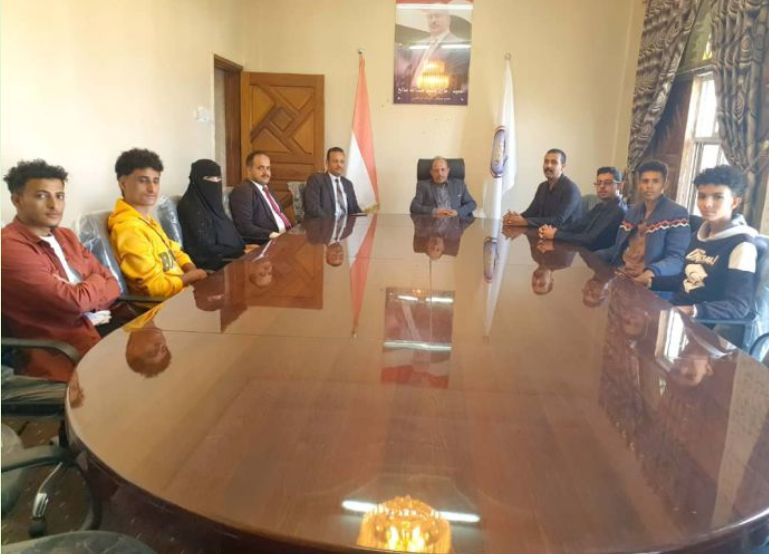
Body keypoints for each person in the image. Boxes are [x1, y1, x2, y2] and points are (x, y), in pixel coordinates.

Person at [2, 159, 120, 381]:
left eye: (59, 196)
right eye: (41, 196)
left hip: (98, 333)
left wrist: (85, 292)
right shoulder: (10, 247)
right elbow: (75, 302)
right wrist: (94, 283)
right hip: (62, 355)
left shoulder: (66, 236)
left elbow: (113, 283)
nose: (54, 205)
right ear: (17, 200)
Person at [651, 165, 757, 320]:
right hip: (677, 313)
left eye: (718, 197)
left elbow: (738, 306)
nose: (707, 204)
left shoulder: (742, 245)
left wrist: (692, 310)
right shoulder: (698, 236)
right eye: (702, 196)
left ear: (734, 202)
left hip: (702, 323)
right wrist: (650, 282)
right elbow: (686, 280)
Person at [108, 148, 208, 298]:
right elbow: (155, 289)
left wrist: (191, 270)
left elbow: (174, 251)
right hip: (161, 307)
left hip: (181, 295)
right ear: (123, 184)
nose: (152, 189)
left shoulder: (146, 220)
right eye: (143, 180)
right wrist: (193, 276)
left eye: (156, 181)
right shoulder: (129, 229)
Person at [596, 160, 690, 286]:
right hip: (620, 273)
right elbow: (618, 248)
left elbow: (677, 259)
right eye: (645, 181)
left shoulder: (677, 213)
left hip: (648, 282)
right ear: (639, 184)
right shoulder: (632, 211)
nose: (649, 186)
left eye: (655, 181)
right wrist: (595, 256)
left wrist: (651, 272)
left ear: (665, 184)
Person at [177, 159, 252, 271]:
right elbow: (204, 249)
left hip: (231, 257)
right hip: (214, 264)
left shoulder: (212, 203)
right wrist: (240, 253)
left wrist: (244, 247)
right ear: (196, 180)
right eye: (210, 178)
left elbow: (228, 232)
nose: (215, 182)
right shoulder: (191, 207)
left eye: (218, 178)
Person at [538, 166, 626, 250]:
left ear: (619, 186)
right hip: (584, 251)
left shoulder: (617, 210)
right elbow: (578, 225)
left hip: (597, 257)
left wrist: (556, 235)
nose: (602, 186)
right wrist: (553, 229)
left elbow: (590, 239)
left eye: (607, 183)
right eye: (599, 183)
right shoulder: (599, 206)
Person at [504, 149, 582, 228]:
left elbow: (558, 220)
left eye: (554, 162)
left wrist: (524, 221)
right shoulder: (542, 187)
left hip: (566, 234)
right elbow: (530, 213)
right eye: (546, 161)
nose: (548, 165)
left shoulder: (571, 189)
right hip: (543, 232)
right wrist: (514, 218)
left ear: (562, 167)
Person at [230, 151, 292, 244]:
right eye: (260, 168)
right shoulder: (243, 190)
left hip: (285, 238)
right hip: (268, 243)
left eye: (268, 168)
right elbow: (244, 227)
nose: (266, 173)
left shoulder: (267, 188)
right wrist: (273, 235)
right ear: (249, 170)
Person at [303, 147, 362, 219]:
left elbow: (355, 208)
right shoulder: (316, 180)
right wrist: (332, 222)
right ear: (327, 163)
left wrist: (365, 218)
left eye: (342, 162)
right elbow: (313, 208)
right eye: (335, 161)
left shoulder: (348, 184)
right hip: (324, 224)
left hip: (346, 224)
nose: (339, 165)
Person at [409, 156, 476, 217]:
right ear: (431, 172)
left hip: (455, 222)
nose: (440, 174)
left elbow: (472, 204)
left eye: (443, 169)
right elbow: (414, 207)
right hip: (432, 223)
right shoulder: (423, 186)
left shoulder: (459, 185)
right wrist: (435, 211)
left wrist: (457, 212)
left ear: (448, 171)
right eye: (436, 170)